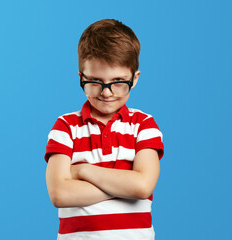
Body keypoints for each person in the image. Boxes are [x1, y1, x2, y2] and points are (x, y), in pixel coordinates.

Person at [44, 19, 164, 240]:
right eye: (96, 81)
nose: (107, 93)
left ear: (134, 78)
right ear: (81, 77)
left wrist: (81, 171)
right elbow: (60, 194)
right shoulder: (66, 127)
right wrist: (123, 185)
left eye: (118, 81)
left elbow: (142, 187)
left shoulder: (144, 125)